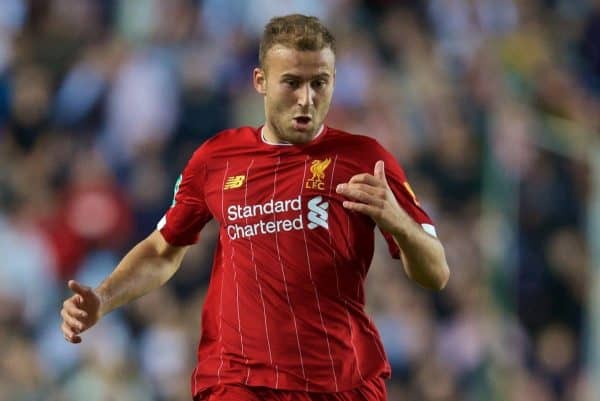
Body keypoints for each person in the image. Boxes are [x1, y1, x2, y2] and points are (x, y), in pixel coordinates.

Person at [60, 14, 450, 401]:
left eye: (320, 83)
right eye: (292, 83)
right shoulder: (217, 159)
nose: (307, 98)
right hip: (239, 382)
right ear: (260, 82)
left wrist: (398, 221)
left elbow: (436, 273)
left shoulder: (364, 158)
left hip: (341, 382)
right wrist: (104, 298)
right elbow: (163, 250)